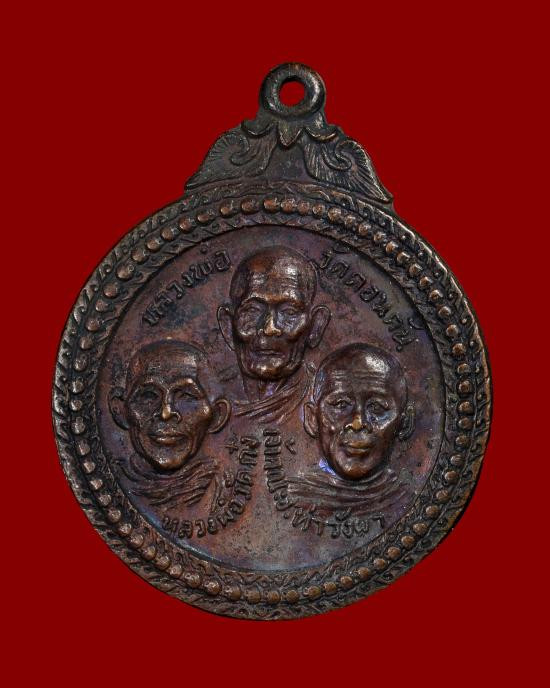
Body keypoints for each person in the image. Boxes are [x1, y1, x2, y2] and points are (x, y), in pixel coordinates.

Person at [288, 343, 414, 517]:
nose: (357, 423)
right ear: (312, 419)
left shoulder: (413, 500)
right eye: (341, 405)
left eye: (377, 407)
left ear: (404, 423)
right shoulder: (289, 498)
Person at [109, 340, 230, 509]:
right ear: (120, 411)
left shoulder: (224, 493)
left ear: (217, 415)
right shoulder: (108, 484)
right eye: (148, 396)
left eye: (186, 396)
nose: (166, 413)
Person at [217, 245, 330, 424]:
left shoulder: (332, 401)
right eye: (253, 310)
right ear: (227, 325)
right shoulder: (207, 396)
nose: (269, 328)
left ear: (316, 326)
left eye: (289, 312)